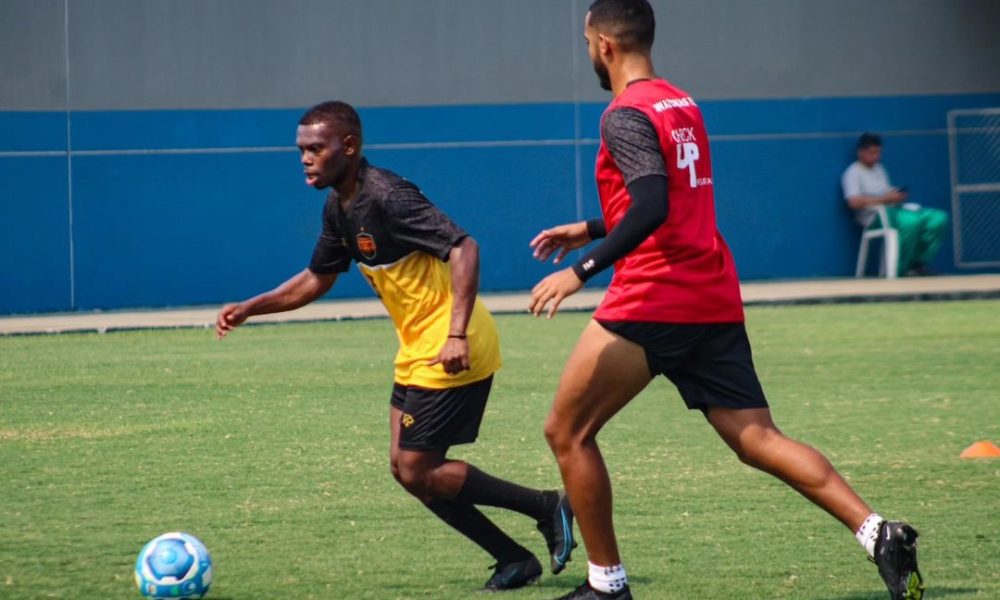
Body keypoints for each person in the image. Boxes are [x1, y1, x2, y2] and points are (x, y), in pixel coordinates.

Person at [527, 2, 924, 599]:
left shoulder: (623, 114)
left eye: (586, 41)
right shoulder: (680, 102)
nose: (586, 51)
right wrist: (589, 227)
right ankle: (878, 533)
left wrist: (582, 269)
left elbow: (655, 204)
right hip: (710, 292)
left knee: (568, 433)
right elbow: (667, 197)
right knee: (757, 439)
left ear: (604, 44)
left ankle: (606, 585)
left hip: (654, 297)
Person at [216, 100, 575, 591]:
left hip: (453, 343)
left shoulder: (386, 195)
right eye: (300, 150)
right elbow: (316, 279)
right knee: (404, 470)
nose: (305, 158)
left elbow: (464, 246)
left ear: (348, 146)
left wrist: (454, 334)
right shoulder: (339, 207)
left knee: (417, 468)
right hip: (416, 347)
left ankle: (546, 506)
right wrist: (250, 307)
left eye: (315, 148)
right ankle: (514, 558)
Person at [843, 132, 949, 276]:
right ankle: (900, 270)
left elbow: (885, 191)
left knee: (937, 218)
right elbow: (853, 202)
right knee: (911, 221)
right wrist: (885, 199)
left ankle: (917, 264)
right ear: (860, 152)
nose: (876, 156)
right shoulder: (852, 173)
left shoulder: (879, 169)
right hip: (874, 217)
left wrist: (896, 194)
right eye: (872, 153)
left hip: (894, 210)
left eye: (878, 152)